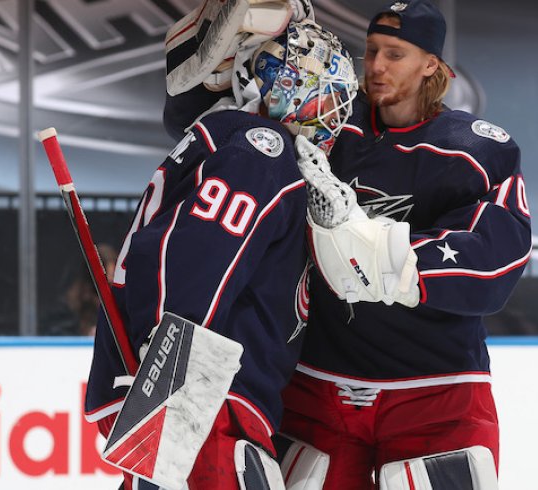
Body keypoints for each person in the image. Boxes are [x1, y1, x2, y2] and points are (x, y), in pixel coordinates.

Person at [83, 14, 358, 490]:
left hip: (196, 400)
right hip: (204, 402)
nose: (334, 114)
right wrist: (167, 366)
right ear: (287, 86)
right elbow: (198, 255)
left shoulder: (232, 140)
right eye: (327, 94)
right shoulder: (263, 149)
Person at [279, 0, 533, 488]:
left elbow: (493, 263)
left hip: (436, 392)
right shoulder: (328, 128)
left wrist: (371, 249)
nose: (375, 66)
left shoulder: (477, 150)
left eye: (395, 54)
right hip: (318, 387)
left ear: (430, 64)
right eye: (371, 50)